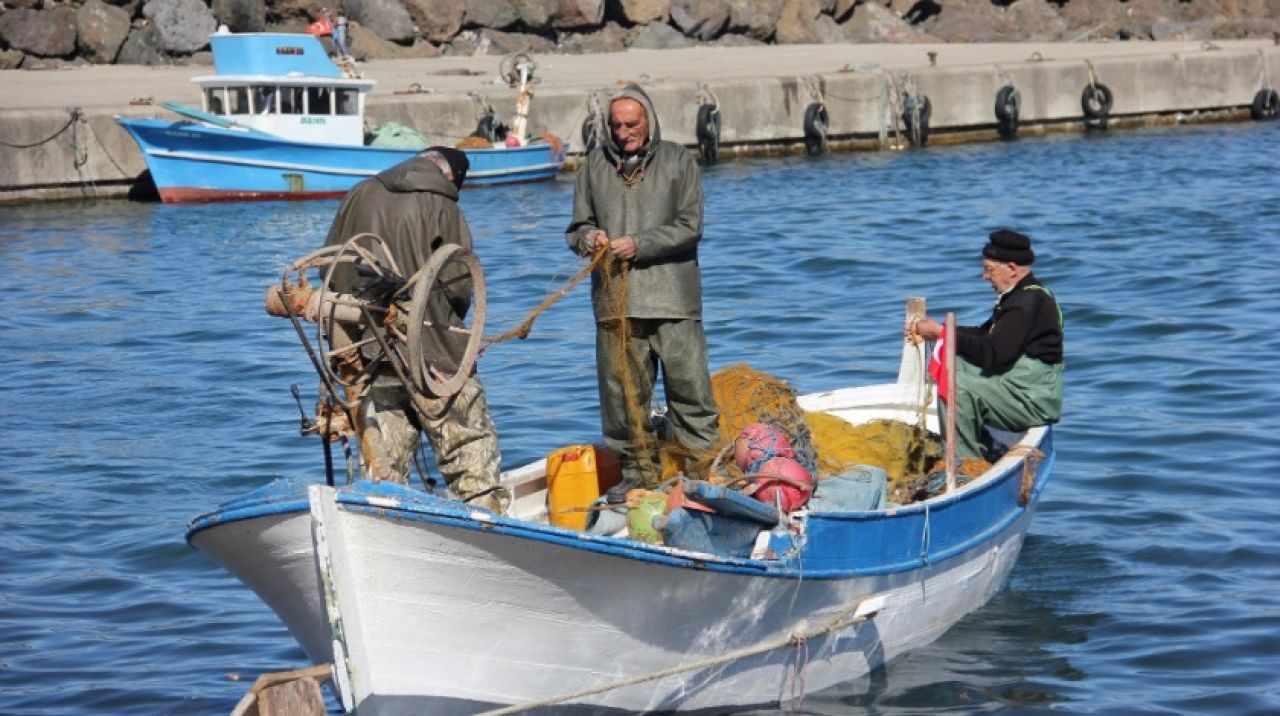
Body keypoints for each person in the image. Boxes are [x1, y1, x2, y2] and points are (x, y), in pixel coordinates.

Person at [323, 147, 508, 513]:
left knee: (383, 466)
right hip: (433, 353)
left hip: (369, 352)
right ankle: (488, 527)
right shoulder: (442, 205)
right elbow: (459, 281)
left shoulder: (358, 194)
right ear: (451, 177)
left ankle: (381, 532)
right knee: (468, 450)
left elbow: (332, 267)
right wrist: (452, 330)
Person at [565, 83, 720, 493]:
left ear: (648, 119)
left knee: (691, 395)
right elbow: (575, 229)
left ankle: (700, 476)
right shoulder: (593, 166)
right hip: (615, 306)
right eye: (615, 125)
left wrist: (640, 244)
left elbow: (691, 226)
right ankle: (638, 481)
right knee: (623, 404)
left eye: (631, 124)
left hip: (674, 301)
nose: (623, 132)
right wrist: (590, 238)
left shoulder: (678, 161)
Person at [913, 229, 1064, 461]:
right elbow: (984, 335)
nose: (985, 276)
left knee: (955, 385)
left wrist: (942, 332)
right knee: (952, 363)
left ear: (1012, 269)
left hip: (1031, 398)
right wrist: (938, 332)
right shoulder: (1021, 296)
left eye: (989, 269)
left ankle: (965, 464)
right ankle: (977, 437)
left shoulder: (1026, 303)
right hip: (1015, 385)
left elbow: (993, 354)